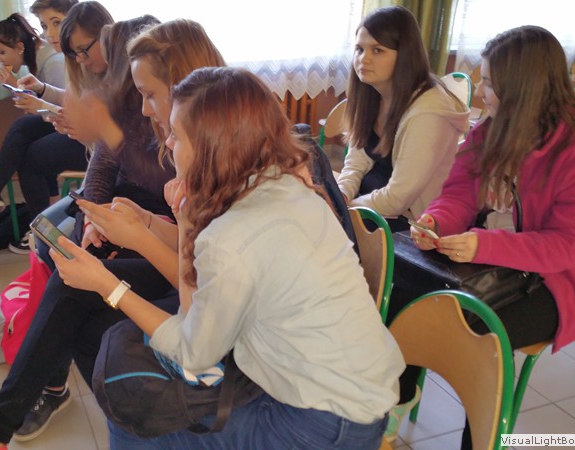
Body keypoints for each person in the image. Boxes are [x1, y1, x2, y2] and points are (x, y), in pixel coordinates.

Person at [57, 66, 405, 450]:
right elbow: (205, 296)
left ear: (211, 148)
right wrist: (169, 223)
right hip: (354, 393)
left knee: (133, 423)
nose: (168, 142)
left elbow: (194, 351)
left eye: (177, 135)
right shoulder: (280, 182)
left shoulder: (233, 232)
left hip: (324, 424)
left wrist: (106, 284)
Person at [0, 15, 185, 450]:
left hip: (163, 239)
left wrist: (136, 226)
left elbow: (185, 238)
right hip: (141, 221)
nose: (83, 59)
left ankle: (5, 421)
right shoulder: (139, 102)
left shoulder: (186, 125)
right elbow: (103, 169)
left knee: (76, 289)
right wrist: (92, 220)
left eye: (86, 49)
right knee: (55, 245)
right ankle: (39, 400)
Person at [401, 25, 575, 448]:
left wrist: (484, 244)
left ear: (523, 90)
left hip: (565, 283)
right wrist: (436, 222)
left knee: (478, 335)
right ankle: (395, 399)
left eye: (490, 84)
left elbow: (569, 246)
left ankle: (479, 441)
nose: (481, 94)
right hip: (501, 259)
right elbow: (458, 194)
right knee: (403, 284)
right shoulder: (493, 127)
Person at [0, 1, 107, 255]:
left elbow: (85, 115)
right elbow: (74, 101)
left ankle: (40, 227)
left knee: (31, 157)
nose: (49, 34)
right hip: (83, 129)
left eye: (56, 23)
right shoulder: (71, 58)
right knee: (23, 127)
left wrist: (40, 104)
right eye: (44, 26)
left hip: (94, 142)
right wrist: (40, 91)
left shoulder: (63, 61)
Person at [337, 6, 469, 233]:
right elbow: (356, 161)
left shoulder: (428, 112)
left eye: (377, 50)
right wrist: (341, 195)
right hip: (374, 204)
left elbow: (397, 199)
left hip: (413, 223)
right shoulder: (372, 93)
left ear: (405, 55)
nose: (363, 59)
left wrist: (346, 210)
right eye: (359, 49)